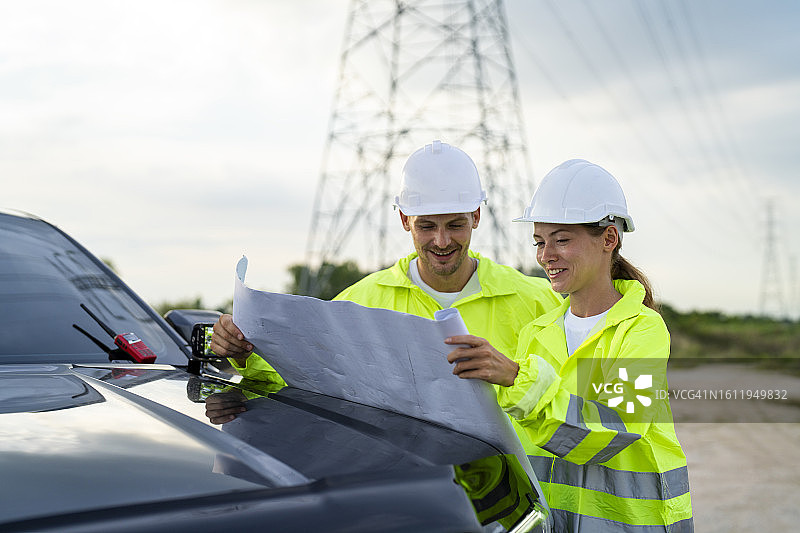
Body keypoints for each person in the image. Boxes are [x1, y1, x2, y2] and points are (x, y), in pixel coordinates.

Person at [207, 140, 564, 457]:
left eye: (455, 225)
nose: (441, 241)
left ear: (476, 216)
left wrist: (516, 376)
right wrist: (244, 352)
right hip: (403, 495)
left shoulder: (539, 301)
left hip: (513, 499)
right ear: (405, 220)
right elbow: (302, 380)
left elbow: (582, 403)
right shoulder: (358, 303)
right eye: (427, 226)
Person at [443, 159, 693, 531]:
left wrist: (516, 379)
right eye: (539, 242)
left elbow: (615, 428)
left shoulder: (641, 329)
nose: (546, 255)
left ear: (609, 239)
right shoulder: (536, 333)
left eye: (562, 240)